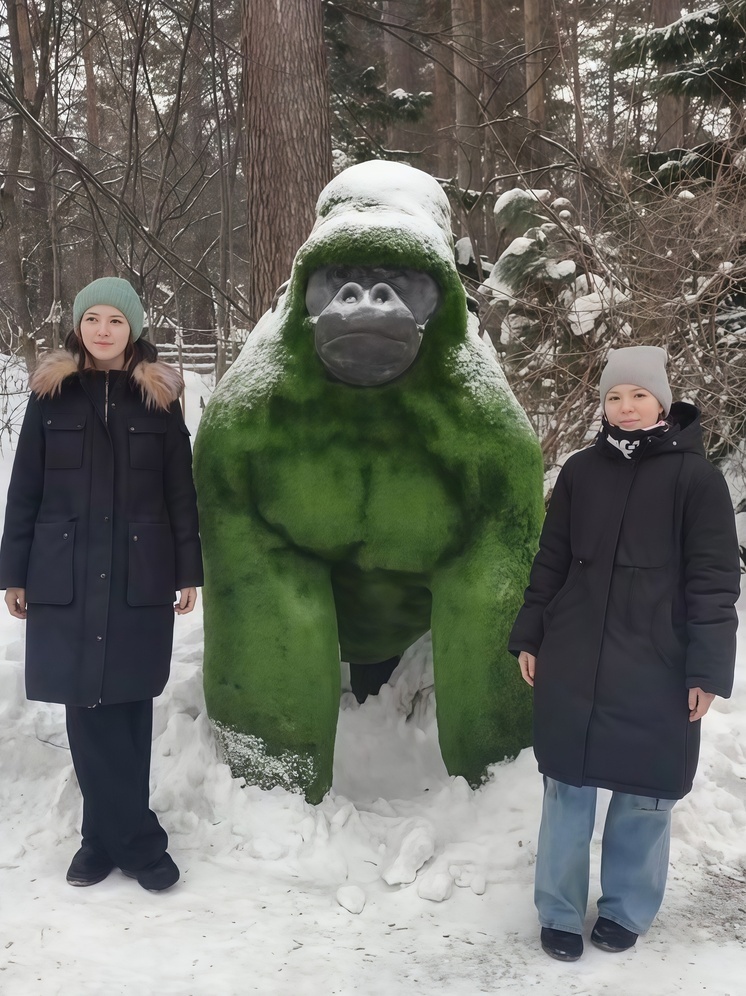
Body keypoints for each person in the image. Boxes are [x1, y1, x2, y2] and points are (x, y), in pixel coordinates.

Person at [509, 345, 740, 961]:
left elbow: (714, 583)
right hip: (576, 655)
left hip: (657, 662)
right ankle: (557, 910)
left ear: (662, 401)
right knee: (567, 787)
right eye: (614, 396)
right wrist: (531, 632)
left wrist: (708, 668)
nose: (626, 407)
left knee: (645, 793)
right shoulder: (582, 471)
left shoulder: (697, 479)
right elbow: (551, 560)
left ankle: (626, 908)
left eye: (638, 395)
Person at [0, 277, 203, 893]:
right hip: (63, 571)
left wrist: (188, 569)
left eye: (117, 320)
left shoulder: (161, 400)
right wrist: (13, 571)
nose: (104, 330)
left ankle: (111, 838)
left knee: (130, 705)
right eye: (94, 319)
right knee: (84, 708)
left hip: (138, 571)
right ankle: (128, 841)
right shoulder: (51, 396)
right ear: (79, 327)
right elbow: (25, 488)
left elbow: (179, 493)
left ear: (134, 328)